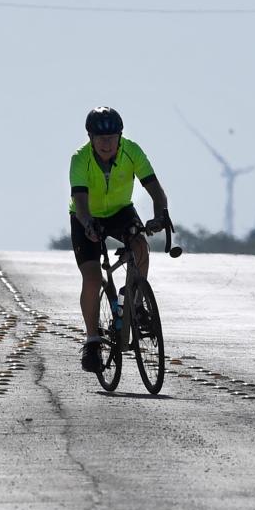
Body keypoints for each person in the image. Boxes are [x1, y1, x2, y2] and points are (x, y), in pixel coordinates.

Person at [69, 107, 170, 373]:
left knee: (140, 246)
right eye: (100, 138)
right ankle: (92, 341)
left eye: (112, 138)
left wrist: (160, 217)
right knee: (91, 278)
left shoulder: (132, 151)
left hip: (120, 211)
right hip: (86, 216)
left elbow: (157, 193)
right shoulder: (80, 159)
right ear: (90, 137)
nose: (106, 143)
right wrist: (88, 223)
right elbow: (80, 202)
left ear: (120, 136)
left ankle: (137, 305)